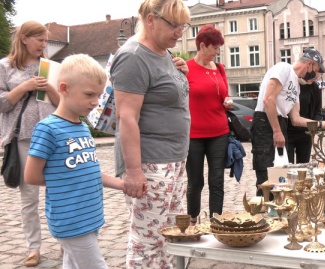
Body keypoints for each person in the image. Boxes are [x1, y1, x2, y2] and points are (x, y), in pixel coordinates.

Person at [24, 54, 133, 269]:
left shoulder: (83, 128)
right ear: (64, 89)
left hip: (90, 215)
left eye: (99, 95)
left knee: (72, 264)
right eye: (89, 94)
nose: (95, 102)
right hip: (71, 220)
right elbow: (31, 176)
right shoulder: (48, 128)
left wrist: (121, 184)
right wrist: (64, 179)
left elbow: (88, 171)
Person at [109, 0, 191, 267]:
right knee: (148, 242)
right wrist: (133, 171)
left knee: (170, 236)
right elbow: (127, 117)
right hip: (151, 162)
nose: (180, 32)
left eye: (183, 25)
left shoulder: (164, 53)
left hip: (174, 160)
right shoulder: (133, 56)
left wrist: (181, 74)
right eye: (174, 25)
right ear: (150, 19)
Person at [0, 21, 60, 267]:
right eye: (40, 40)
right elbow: (2, 105)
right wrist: (25, 86)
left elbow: (62, 103)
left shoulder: (50, 67)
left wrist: (51, 88)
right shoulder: (4, 67)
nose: (44, 45)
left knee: (59, 194)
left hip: (53, 138)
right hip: (23, 138)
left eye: (46, 41)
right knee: (29, 198)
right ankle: (33, 248)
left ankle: (67, 242)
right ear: (24, 39)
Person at [251, 48, 325, 195]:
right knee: (267, 176)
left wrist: (322, 124)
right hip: (265, 122)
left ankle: (278, 212)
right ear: (310, 64)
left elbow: (296, 119)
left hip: (281, 122)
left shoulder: (296, 85)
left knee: (280, 177)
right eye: (316, 70)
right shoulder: (283, 68)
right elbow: (268, 100)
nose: (316, 75)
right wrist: (277, 131)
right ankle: (263, 211)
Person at [185, 25, 232, 221]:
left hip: (219, 132)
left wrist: (228, 101)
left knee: (217, 180)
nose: (217, 53)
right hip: (193, 135)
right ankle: (193, 219)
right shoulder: (186, 68)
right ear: (202, 46)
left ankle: (216, 220)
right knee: (195, 182)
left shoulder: (219, 69)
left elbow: (225, 95)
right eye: (214, 48)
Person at [286, 73, 323, 164]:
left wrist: (315, 125)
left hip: (305, 132)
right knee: (287, 164)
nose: (315, 79)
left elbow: (318, 110)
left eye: (318, 77)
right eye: (315, 77)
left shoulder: (314, 87)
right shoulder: (292, 83)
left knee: (304, 165)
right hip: (287, 131)